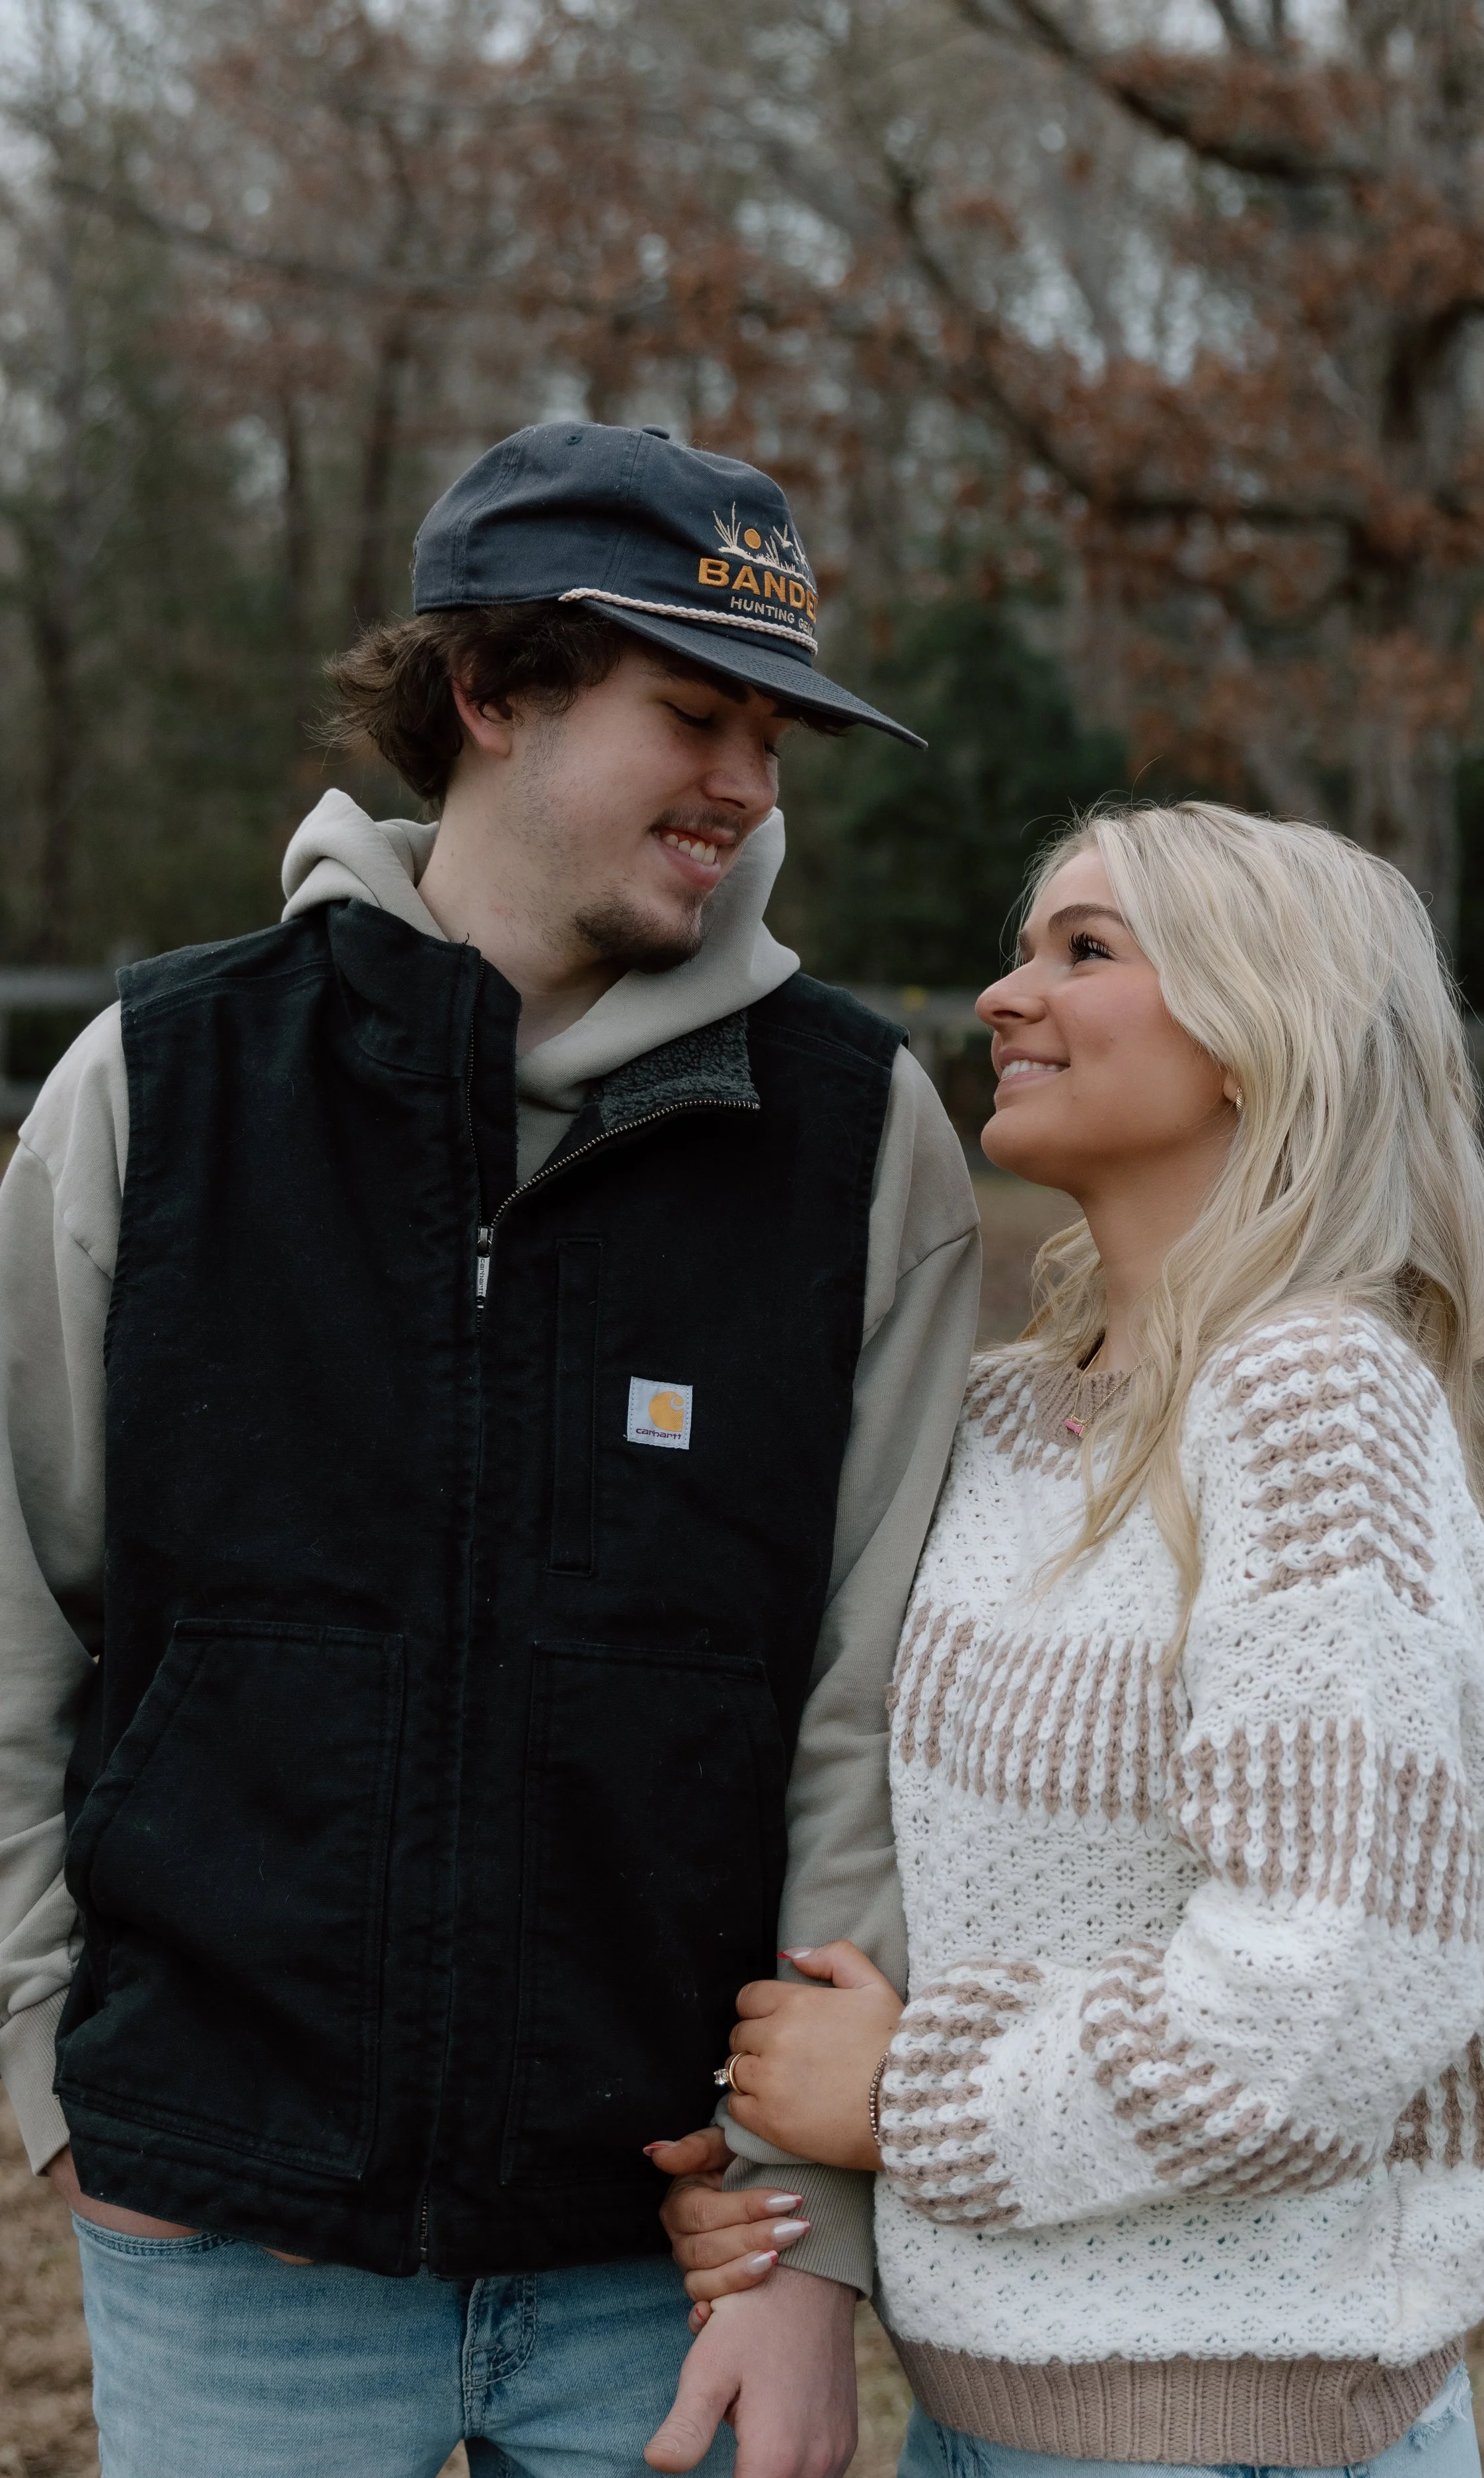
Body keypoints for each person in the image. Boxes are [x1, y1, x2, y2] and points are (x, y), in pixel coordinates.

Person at [0, 422, 982, 2477]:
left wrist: (815, 2235)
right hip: (226, 2237)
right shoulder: (160, 1087)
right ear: (488, 689)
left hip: (678, 2247)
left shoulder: (853, 1132)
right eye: (691, 712)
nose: (744, 784)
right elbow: (18, 1614)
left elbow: (866, 1707)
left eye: (775, 736)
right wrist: (54, 2077)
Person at [655, 802, 1484, 2478]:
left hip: (1235, 2428)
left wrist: (900, 2099)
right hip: (993, 2411)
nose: (1003, 998)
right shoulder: (1014, 1422)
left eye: (1085, 952)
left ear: (1254, 1032)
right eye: (1026, 950)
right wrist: (787, 2165)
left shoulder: (1307, 1398)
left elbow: (1328, 2003)